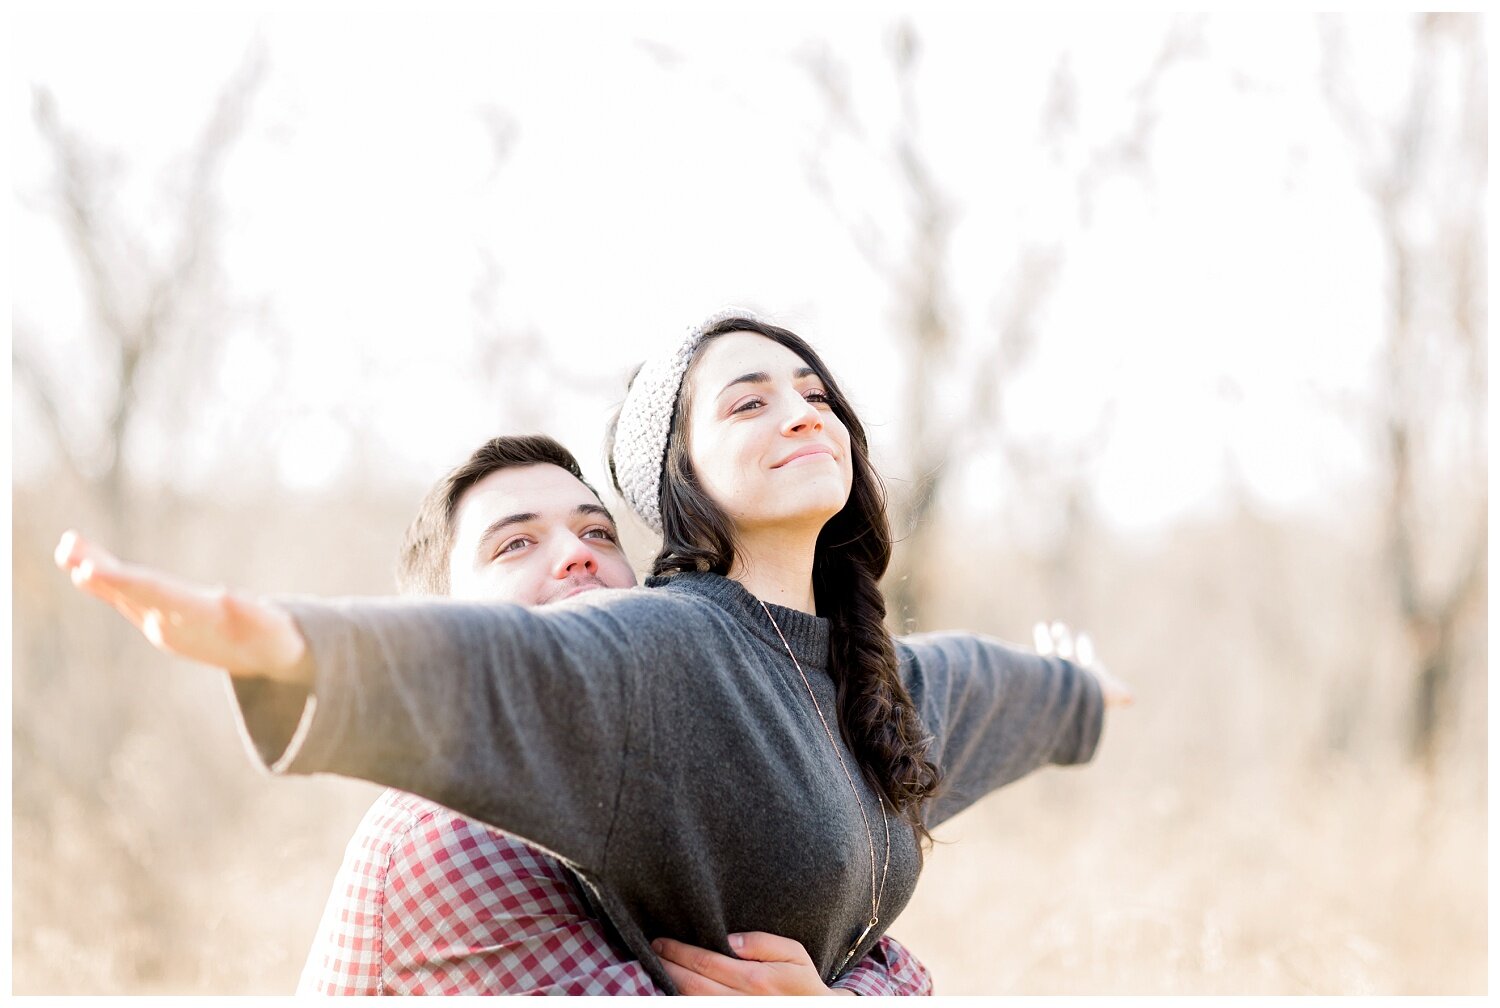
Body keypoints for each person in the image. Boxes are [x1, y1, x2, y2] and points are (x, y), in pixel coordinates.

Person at [57, 309, 1130, 994]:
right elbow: (510, 674)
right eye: (750, 400)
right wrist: (296, 647)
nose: (801, 412)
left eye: (814, 392)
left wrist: (1077, 692)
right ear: (683, 476)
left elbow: (989, 693)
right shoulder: (620, 689)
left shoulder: (869, 683)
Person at [297, 433, 932, 994]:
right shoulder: (453, 833)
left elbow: (856, 942)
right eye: (515, 543)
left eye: (598, 532)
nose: (576, 554)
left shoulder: (667, 785)